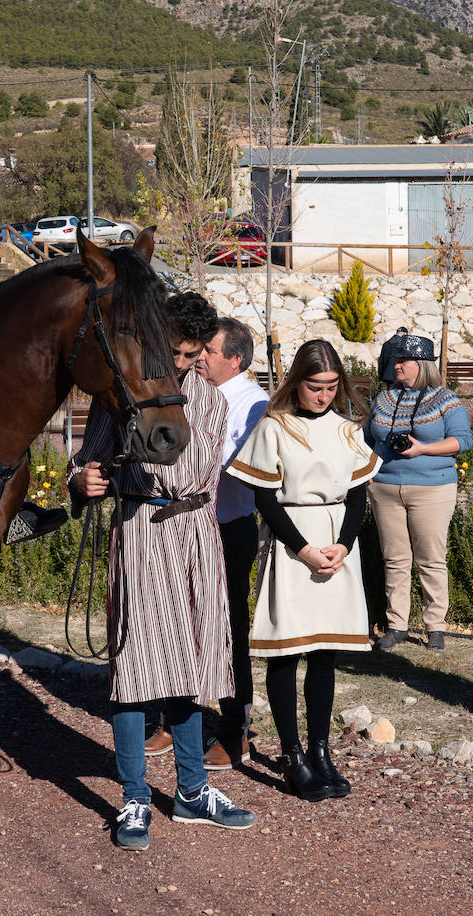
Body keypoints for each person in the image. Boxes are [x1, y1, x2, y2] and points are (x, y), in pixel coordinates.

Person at [70, 292, 255, 851]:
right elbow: (88, 458)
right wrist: (81, 481)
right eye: (177, 352)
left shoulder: (213, 398)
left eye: (193, 354)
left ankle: (194, 793)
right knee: (135, 666)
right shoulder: (121, 388)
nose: (185, 363)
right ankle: (135, 798)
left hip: (199, 535)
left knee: (192, 664)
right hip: (144, 529)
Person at [228, 340, 381, 802]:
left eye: (333, 387)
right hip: (293, 543)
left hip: (337, 546)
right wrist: (303, 549)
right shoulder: (274, 427)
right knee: (286, 651)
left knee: (326, 652)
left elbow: (357, 496)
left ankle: (320, 750)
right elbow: (262, 497)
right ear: (297, 383)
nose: (324, 395)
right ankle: (292, 756)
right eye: (315, 386)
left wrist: (342, 546)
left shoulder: (348, 430)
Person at [193, 317, 269, 769]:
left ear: (235, 359)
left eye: (209, 350)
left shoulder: (253, 405)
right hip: (185, 526)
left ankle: (233, 727)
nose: (200, 356)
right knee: (181, 623)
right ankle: (175, 715)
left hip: (227, 527)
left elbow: (235, 464)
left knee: (228, 629)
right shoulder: (194, 393)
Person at [364, 335, 473, 651]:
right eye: (394, 360)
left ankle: (435, 627)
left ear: (422, 365)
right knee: (394, 558)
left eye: (403, 361)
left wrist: (424, 448)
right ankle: (396, 625)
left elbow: (462, 440)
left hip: (432, 490)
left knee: (431, 559)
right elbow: (369, 439)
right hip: (385, 488)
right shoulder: (383, 400)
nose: (395, 365)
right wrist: (368, 470)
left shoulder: (445, 400)